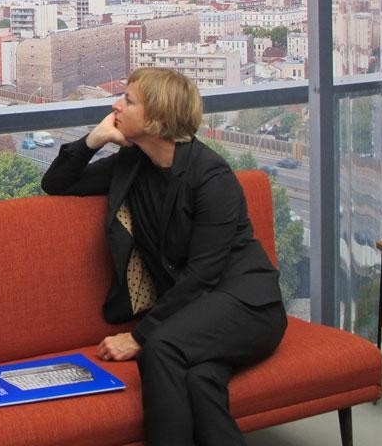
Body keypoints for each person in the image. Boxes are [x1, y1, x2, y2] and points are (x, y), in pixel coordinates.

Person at [41, 67, 286, 446]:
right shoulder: (132, 163)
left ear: (156, 120)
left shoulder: (211, 177)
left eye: (128, 100)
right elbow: (56, 183)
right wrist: (94, 139)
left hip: (248, 305)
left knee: (160, 349)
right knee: (200, 381)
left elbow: (203, 274)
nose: (116, 104)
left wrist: (139, 336)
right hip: (196, 314)